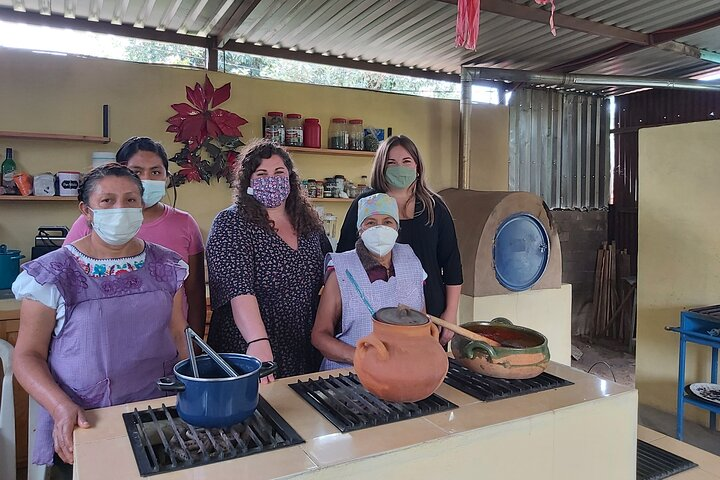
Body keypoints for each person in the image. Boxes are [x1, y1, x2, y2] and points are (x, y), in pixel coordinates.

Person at [12, 163, 190, 471]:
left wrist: (197, 387)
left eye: (131, 200)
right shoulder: (53, 274)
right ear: (87, 210)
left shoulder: (167, 265)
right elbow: (27, 355)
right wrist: (59, 406)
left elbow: (178, 333)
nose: (121, 209)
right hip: (86, 419)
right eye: (107, 201)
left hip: (160, 413)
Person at [206, 139, 331, 381]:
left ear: (290, 179)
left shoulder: (309, 224)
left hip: (303, 343)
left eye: (278, 172)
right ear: (247, 182)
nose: (271, 179)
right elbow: (237, 289)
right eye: (261, 173)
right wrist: (258, 341)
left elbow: (331, 273)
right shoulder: (231, 223)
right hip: (250, 346)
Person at [64, 137, 206, 337]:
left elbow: (195, 294)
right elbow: (65, 282)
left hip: (171, 342)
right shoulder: (93, 222)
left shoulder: (185, 224)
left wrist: (195, 350)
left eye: (155, 172)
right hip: (105, 338)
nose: (146, 180)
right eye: (137, 172)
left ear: (167, 177)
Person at [337, 135, 463, 344]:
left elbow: (452, 266)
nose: (400, 168)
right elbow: (343, 259)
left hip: (429, 314)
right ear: (381, 167)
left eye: (406, 162)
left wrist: (450, 313)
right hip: (372, 313)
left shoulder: (435, 208)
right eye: (391, 163)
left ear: (418, 167)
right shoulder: (365, 204)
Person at [312, 193, 426, 369]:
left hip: (404, 370)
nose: (380, 229)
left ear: (397, 228)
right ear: (360, 229)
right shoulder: (342, 269)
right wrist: (361, 357)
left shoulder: (411, 263)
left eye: (388, 222)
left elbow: (422, 324)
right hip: (350, 374)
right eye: (371, 223)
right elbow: (320, 336)